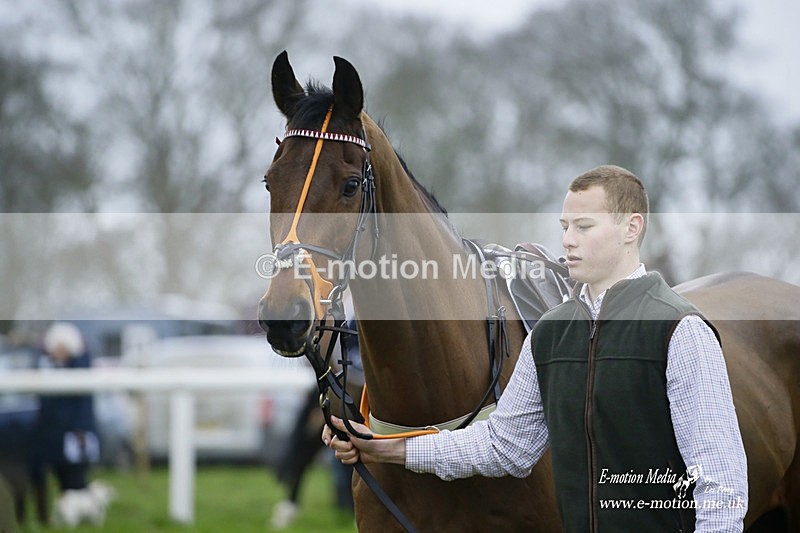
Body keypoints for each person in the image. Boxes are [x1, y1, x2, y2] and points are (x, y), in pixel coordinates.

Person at [323, 165, 748, 532]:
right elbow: (503, 446)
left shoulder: (680, 330)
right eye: (565, 227)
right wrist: (381, 445)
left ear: (631, 228)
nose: (568, 241)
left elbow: (722, 484)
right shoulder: (549, 333)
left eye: (584, 227)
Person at [29, 322, 101, 525]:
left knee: (75, 480)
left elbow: (81, 405)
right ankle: (47, 518)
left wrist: (81, 431)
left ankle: (84, 519)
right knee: (47, 478)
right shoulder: (45, 365)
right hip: (50, 435)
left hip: (73, 434)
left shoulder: (81, 366)